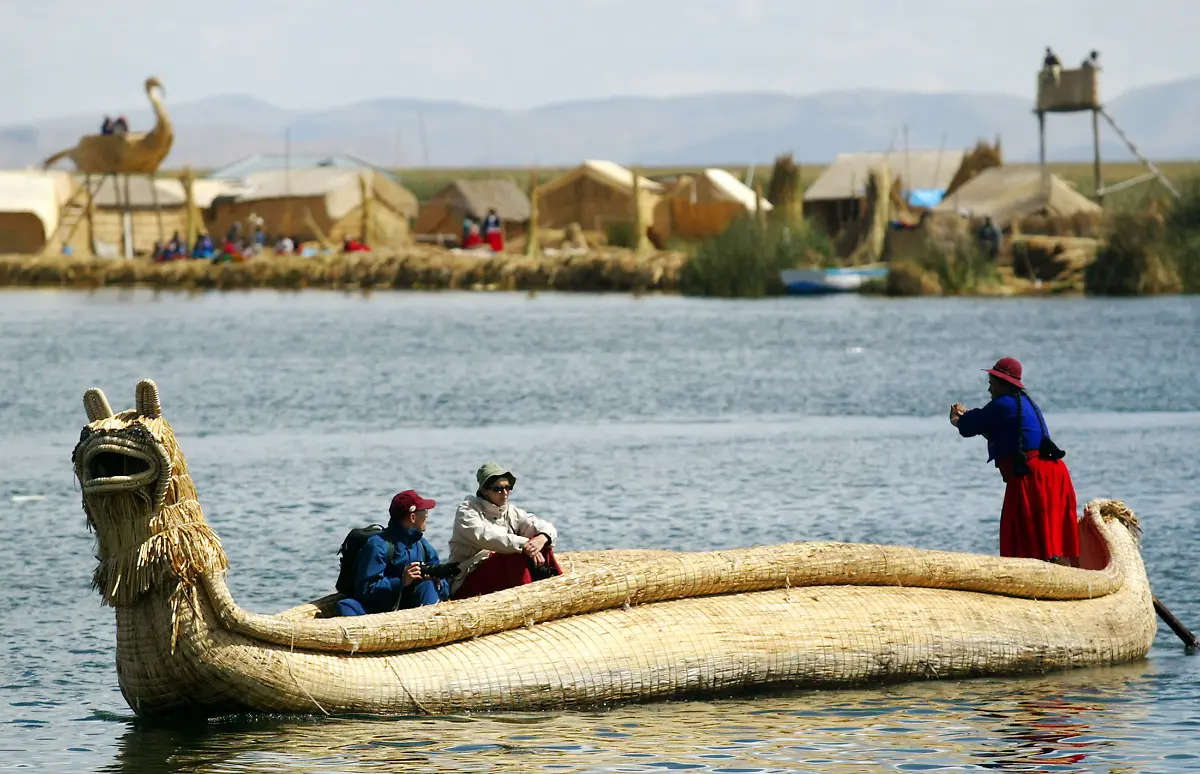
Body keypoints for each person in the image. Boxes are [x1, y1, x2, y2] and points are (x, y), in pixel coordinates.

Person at [950, 358, 1079, 565]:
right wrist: (967, 421)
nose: (989, 389)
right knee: (1052, 542)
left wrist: (957, 419)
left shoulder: (1003, 404)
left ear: (1002, 383)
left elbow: (969, 427)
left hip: (1032, 476)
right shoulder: (1024, 402)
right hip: (1053, 473)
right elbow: (995, 431)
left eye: (991, 383)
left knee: (1027, 539)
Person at [448, 463, 561, 599]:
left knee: (541, 545)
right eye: (498, 489)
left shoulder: (510, 511)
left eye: (508, 487)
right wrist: (524, 544)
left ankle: (556, 591)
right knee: (513, 554)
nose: (505, 493)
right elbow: (488, 537)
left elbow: (541, 526)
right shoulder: (467, 512)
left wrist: (542, 538)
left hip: (499, 576)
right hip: (468, 577)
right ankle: (527, 600)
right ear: (484, 491)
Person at [335, 489, 450, 616]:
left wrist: (438, 583)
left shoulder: (422, 545)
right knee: (344, 605)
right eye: (424, 511)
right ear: (412, 517)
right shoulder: (378, 545)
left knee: (428, 585)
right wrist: (401, 581)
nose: (427, 515)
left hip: (412, 610)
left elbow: (445, 588)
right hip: (380, 612)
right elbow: (364, 590)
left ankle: (431, 626)